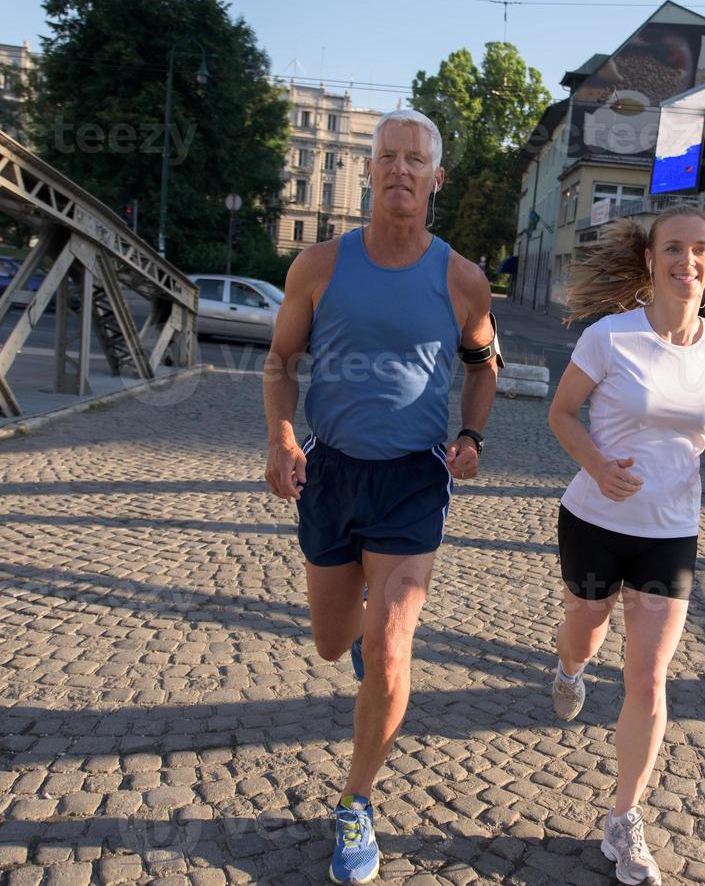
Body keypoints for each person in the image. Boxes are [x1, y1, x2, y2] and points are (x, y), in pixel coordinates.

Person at [262, 108, 499, 884]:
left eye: (415, 160)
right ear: (367, 171)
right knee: (336, 643)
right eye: (387, 157)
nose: (400, 170)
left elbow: (484, 363)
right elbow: (278, 362)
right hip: (331, 473)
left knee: (392, 652)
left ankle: (356, 803)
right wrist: (282, 437)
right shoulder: (319, 265)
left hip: (411, 483)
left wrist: (469, 437)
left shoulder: (462, 279)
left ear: (437, 179)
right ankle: (364, 640)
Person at [546, 207, 705, 886]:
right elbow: (561, 412)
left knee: (648, 675)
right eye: (672, 249)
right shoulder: (610, 338)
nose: (685, 261)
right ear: (650, 261)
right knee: (584, 630)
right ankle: (569, 669)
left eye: (699, 251)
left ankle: (623, 818)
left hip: (669, 530)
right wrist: (599, 466)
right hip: (595, 520)